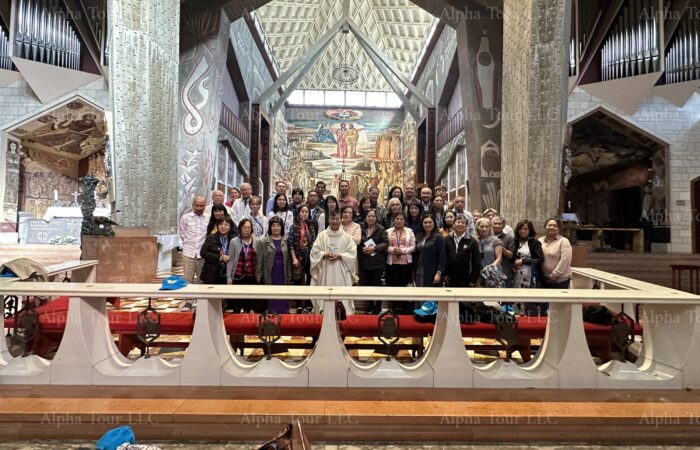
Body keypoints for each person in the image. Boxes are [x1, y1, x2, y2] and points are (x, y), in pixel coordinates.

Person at [310, 211, 358, 313]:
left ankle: (342, 312)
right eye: (332, 219)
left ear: (341, 220)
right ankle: (323, 311)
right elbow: (314, 252)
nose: (335, 221)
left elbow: (352, 253)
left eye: (337, 219)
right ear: (328, 220)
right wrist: (324, 254)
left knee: (341, 292)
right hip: (325, 269)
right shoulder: (322, 236)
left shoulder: (346, 237)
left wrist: (340, 256)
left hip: (340, 270)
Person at [255, 216, 292, 314]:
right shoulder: (263, 241)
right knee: (271, 296)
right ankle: (271, 316)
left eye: (278, 225)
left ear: (282, 227)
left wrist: (289, 274)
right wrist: (258, 276)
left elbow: (288, 259)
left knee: (282, 295)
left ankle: (283, 315)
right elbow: (259, 261)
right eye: (273, 225)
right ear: (270, 227)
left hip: (282, 272)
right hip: (269, 273)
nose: (276, 228)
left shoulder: (286, 240)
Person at [178, 195, 208, 311]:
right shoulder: (185, 218)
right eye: (197, 205)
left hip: (202, 254)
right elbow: (182, 233)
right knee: (187, 279)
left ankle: (201, 302)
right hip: (189, 252)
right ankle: (188, 302)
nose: (199, 208)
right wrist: (188, 245)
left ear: (205, 205)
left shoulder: (208, 218)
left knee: (202, 279)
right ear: (193, 205)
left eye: (202, 206)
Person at [358, 209, 388, 314]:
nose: (371, 218)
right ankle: (370, 305)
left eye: (373, 216)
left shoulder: (381, 229)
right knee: (367, 285)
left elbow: (386, 243)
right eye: (369, 216)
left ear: (376, 218)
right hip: (364, 262)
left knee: (377, 285)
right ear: (365, 217)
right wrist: (362, 249)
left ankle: (378, 306)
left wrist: (374, 249)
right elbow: (357, 243)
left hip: (377, 262)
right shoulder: (361, 228)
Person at [512, 220, 545, 315]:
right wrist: (512, 265)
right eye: (520, 228)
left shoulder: (535, 242)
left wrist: (523, 261)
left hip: (530, 274)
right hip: (516, 274)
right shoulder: (514, 241)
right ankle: (518, 315)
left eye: (525, 229)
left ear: (530, 230)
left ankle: (529, 316)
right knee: (516, 296)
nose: (522, 231)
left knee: (528, 297)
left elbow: (540, 259)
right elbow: (510, 257)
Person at [289, 205, 317, 313]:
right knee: (298, 280)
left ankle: (309, 304)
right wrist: (294, 258)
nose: (304, 214)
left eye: (306, 212)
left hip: (309, 254)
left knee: (310, 279)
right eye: (302, 211)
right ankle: (299, 305)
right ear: (299, 213)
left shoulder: (311, 225)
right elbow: (290, 243)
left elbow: (314, 241)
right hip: (298, 255)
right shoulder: (294, 226)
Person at [385, 213, 416, 314]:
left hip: (406, 263)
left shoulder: (409, 231)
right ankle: (394, 307)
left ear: (404, 221)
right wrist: (392, 250)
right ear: (393, 220)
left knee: (404, 285)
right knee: (393, 285)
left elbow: (413, 246)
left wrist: (402, 251)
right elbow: (385, 245)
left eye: (401, 219)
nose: (399, 221)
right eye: (397, 219)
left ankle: (404, 308)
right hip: (392, 263)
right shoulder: (388, 231)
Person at [226, 218, 258, 312]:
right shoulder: (234, 241)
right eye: (244, 227)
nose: (246, 229)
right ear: (240, 228)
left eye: (248, 227)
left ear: (251, 229)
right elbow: (230, 260)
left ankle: (246, 317)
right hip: (238, 275)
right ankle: (236, 318)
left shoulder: (256, 241)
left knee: (248, 301)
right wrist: (229, 277)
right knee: (236, 302)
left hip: (251, 275)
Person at [444, 215, 481, 288]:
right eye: (458, 222)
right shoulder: (446, 239)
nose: (460, 224)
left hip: (467, 278)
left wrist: (473, 280)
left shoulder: (472, 241)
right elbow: (443, 258)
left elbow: (476, 262)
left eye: (463, 223)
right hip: (449, 278)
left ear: (466, 226)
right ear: (453, 225)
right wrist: (444, 274)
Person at [199, 217, 236, 289]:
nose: (223, 227)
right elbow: (203, 253)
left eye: (226, 225)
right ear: (217, 226)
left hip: (228, 271)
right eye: (220, 224)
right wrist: (219, 257)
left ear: (230, 227)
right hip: (212, 272)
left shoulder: (234, 239)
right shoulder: (210, 237)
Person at [414, 213, 446, 288]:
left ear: (434, 223)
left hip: (432, 271)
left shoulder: (438, 237)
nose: (427, 224)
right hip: (419, 270)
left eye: (430, 222)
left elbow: (442, 256)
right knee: (419, 292)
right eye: (425, 222)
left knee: (431, 294)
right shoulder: (419, 236)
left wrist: (439, 273)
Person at [539, 218, 572, 289]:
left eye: (555, 226)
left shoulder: (564, 241)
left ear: (559, 228)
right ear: (545, 227)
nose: (551, 227)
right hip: (543, 279)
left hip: (560, 280)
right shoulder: (540, 240)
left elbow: (565, 260)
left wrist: (554, 275)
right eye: (549, 225)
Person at [475, 217, 503, 286]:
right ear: (477, 227)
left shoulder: (496, 240)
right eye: (482, 226)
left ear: (490, 228)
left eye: (487, 226)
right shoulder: (474, 240)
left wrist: (489, 269)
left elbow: (499, 259)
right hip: (478, 273)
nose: (484, 229)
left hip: (493, 273)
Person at [491, 216, 515, 288]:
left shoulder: (509, 238)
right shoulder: (487, 237)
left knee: (505, 294)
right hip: (489, 272)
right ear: (491, 224)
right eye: (495, 223)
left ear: (503, 225)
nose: (497, 225)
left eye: (499, 224)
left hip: (505, 272)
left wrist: (501, 247)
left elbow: (510, 256)